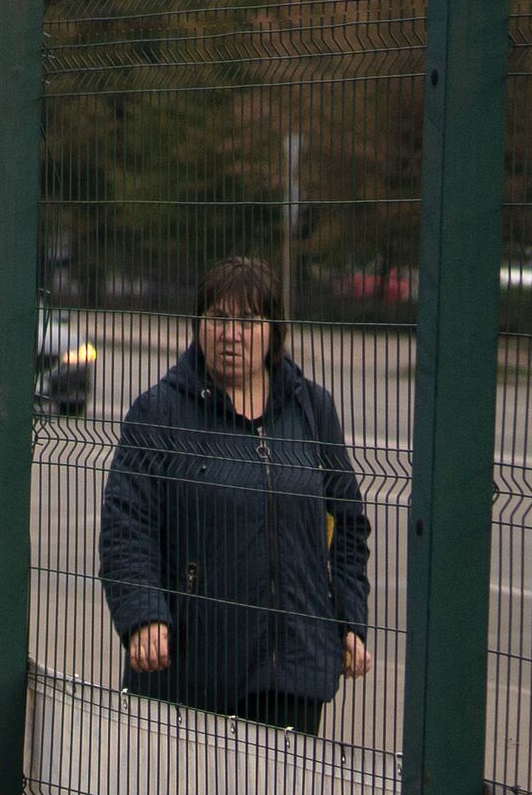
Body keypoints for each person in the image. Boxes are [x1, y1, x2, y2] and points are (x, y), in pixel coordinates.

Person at [96, 254, 371, 733]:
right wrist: (142, 615)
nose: (231, 334)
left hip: (293, 670)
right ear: (198, 325)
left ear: (273, 331)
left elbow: (347, 523)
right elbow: (126, 525)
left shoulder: (312, 410)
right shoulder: (159, 413)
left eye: (248, 320)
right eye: (218, 319)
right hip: (191, 670)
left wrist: (349, 620)